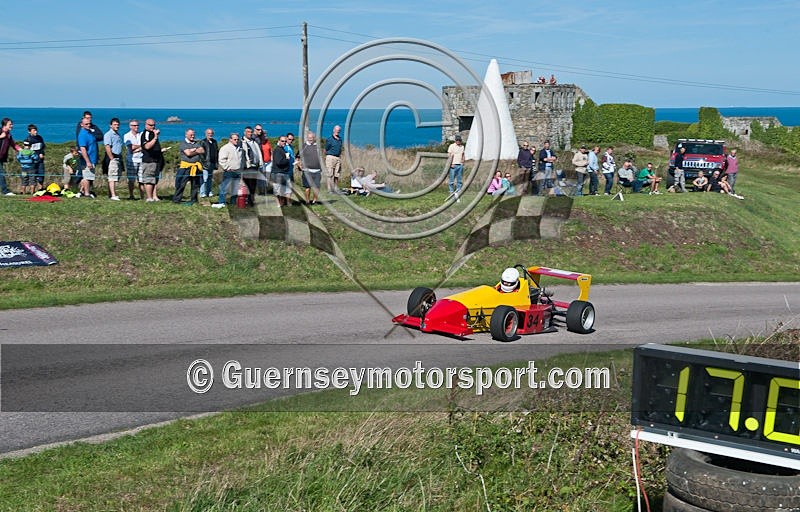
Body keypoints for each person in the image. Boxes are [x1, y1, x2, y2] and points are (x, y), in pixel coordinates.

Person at [173, 128, 205, 204]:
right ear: (186, 135)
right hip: (185, 167)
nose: (193, 136)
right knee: (181, 184)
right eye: (191, 135)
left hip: (196, 167)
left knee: (195, 184)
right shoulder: (183, 143)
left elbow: (202, 150)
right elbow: (188, 154)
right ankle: (177, 200)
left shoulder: (197, 142)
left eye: (193, 134)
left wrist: (193, 150)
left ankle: (194, 200)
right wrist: (196, 150)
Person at [213, 132, 243, 208]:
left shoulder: (239, 148)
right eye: (234, 139)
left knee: (235, 189)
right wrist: (227, 168)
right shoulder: (225, 148)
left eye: (237, 139)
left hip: (238, 171)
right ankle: (222, 202)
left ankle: (233, 202)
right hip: (229, 171)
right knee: (224, 187)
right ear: (230, 139)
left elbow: (241, 160)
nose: (236, 140)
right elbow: (221, 160)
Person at [140, 118, 162, 202]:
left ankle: (153, 196)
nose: (153, 127)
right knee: (149, 179)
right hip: (148, 160)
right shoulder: (145, 134)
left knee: (154, 179)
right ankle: (149, 198)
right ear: (146, 125)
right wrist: (156, 137)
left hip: (156, 160)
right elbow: (147, 146)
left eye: (154, 125)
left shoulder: (152, 133)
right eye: (150, 125)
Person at [77, 116, 99, 198]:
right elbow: (83, 149)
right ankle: (86, 193)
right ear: (81, 125)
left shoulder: (89, 132)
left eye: (89, 124)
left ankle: (82, 191)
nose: (88, 125)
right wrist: (88, 161)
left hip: (92, 159)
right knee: (87, 177)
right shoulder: (82, 134)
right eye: (86, 124)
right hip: (88, 160)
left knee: (89, 176)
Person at [241, 126, 263, 206]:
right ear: (244, 132)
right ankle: (249, 201)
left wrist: (260, 163)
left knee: (253, 184)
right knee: (249, 184)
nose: (249, 133)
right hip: (248, 167)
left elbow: (258, 153)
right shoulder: (242, 142)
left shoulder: (254, 142)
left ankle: (251, 200)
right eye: (248, 132)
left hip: (255, 166)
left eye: (250, 132)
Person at [298, 131, 322, 204]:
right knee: (307, 187)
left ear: (314, 138)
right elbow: (297, 157)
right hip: (307, 171)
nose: (310, 139)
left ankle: (314, 201)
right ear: (307, 138)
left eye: (312, 138)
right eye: (309, 138)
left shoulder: (317, 146)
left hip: (317, 171)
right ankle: (307, 201)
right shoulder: (303, 146)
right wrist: (299, 166)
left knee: (316, 187)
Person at [103, 118, 124, 200]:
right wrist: (112, 158)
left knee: (115, 176)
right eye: (115, 124)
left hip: (118, 156)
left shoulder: (117, 134)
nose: (117, 126)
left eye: (118, 124)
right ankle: (113, 195)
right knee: (112, 176)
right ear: (110, 125)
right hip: (112, 157)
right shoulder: (108, 134)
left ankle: (111, 194)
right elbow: (107, 147)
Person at [124, 120, 144, 200]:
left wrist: (137, 148)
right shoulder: (127, 135)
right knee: (131, 179)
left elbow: (144, 146)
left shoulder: (141, 135)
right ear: (130, 126)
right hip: (131, 159)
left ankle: (142, 196)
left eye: (137, 125)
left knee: (142, 180)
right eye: (134, 125)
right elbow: (130, 147)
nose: (137, 127)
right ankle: (131, 195)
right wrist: (140, 146)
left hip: (141, 159)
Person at [0, 118, 21, 196]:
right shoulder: (0, 132)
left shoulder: (9, 135)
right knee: (1, 173)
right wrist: (0, 137)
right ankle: (5, 191)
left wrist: (23, 151)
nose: (12, 125)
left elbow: (13, 145)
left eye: (12, 124)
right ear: (5, 125)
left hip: (1, 158)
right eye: (10, 124)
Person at [24, 124, 46, 191]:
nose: (36, 132)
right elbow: (26, 150)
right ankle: (32, 191)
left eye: (36, 130)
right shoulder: (27, 139)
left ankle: (40, 189)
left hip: (40, 160)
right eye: (34, 130)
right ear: (29, 131)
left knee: (41, 174)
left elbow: (43, 146)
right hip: (32, 161)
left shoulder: (40, 138)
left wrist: (42, 153)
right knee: (32, 175)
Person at [272, 135, 291, 206]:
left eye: (285, 141)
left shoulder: (283, 149)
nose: (284, 143)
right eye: (282, 141)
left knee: (284, 190)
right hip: (278, 172)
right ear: (278, 141)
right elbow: (278, 162)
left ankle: (282, 203)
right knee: (278, 190)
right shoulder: (277, 150)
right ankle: (278, 204)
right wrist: (287, 159)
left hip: (283, 172)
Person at [199, 128, 218, 199]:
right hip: (205, 164)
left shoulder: (214, 142)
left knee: (210, 178)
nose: (210, 134)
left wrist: (216, 163)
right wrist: (204, 163)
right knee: (204, 178)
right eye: (209, 133)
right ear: (206, 134)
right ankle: (202, 193)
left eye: (211, 133)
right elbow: (201, 154)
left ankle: (209, 191)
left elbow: (216, 152)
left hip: (212, 163)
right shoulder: (203, 142)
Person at [324, 125, 343, 193]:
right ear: (333, 130)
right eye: (336, 130)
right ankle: (329, 189)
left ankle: (335, 188)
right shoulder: (329, 139)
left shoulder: (340, 139)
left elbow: (340, 148)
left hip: (338, 157)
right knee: (330, 174)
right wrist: (327, 156)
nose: (337, 131)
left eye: (339, 130)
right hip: (330, 157)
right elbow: (326, 149)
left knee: (337, 174)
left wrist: (340, 156)